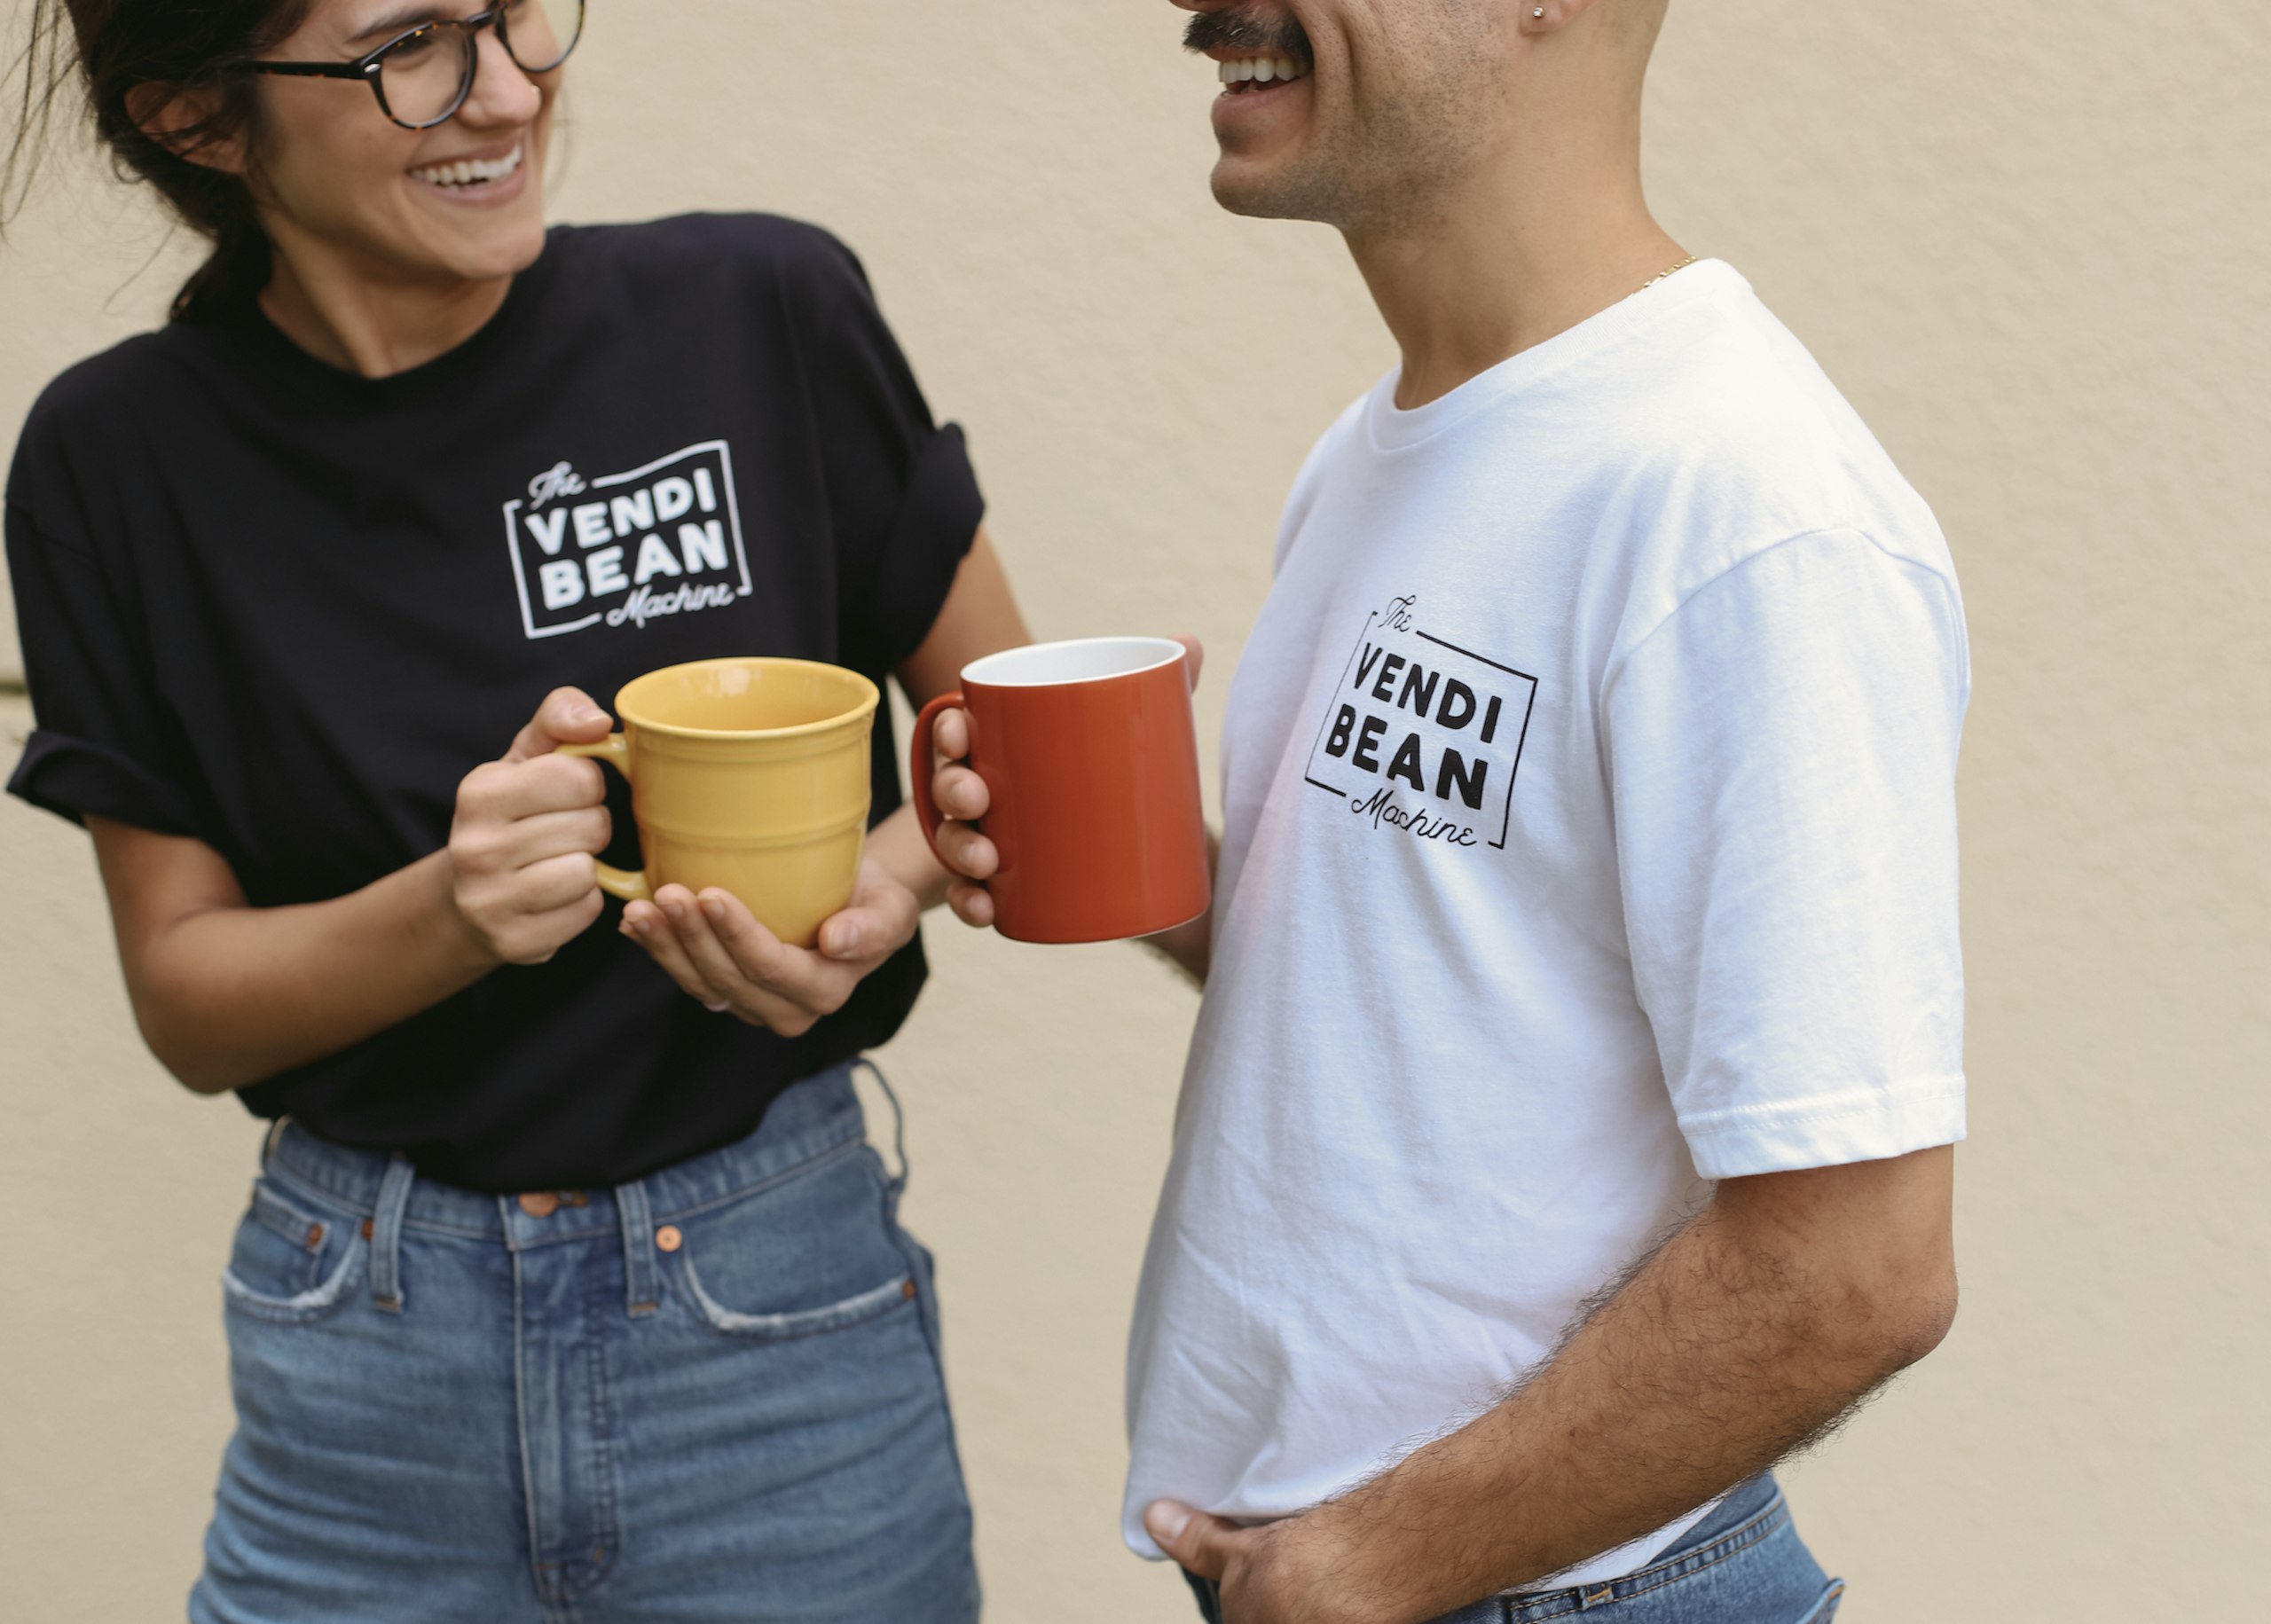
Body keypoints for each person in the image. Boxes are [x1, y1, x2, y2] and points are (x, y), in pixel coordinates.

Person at [928, 2, 1967, 1619]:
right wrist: (1108, 861)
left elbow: (1857, 1269)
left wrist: (1370, 1562)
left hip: (1536, 1589)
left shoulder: (1745, 506)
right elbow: (1439, 978)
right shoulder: (1381, 448)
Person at [3, 2, 1028, 1619]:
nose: (507, 87)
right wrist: (451, 913)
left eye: (511, 14)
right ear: (199, 119)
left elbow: (1006, 745)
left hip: (777, 1321)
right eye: (409, 44)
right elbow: (190, 1003)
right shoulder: (108, 458)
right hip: (361, 1351)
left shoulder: (760, 306)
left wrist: (879, 891)